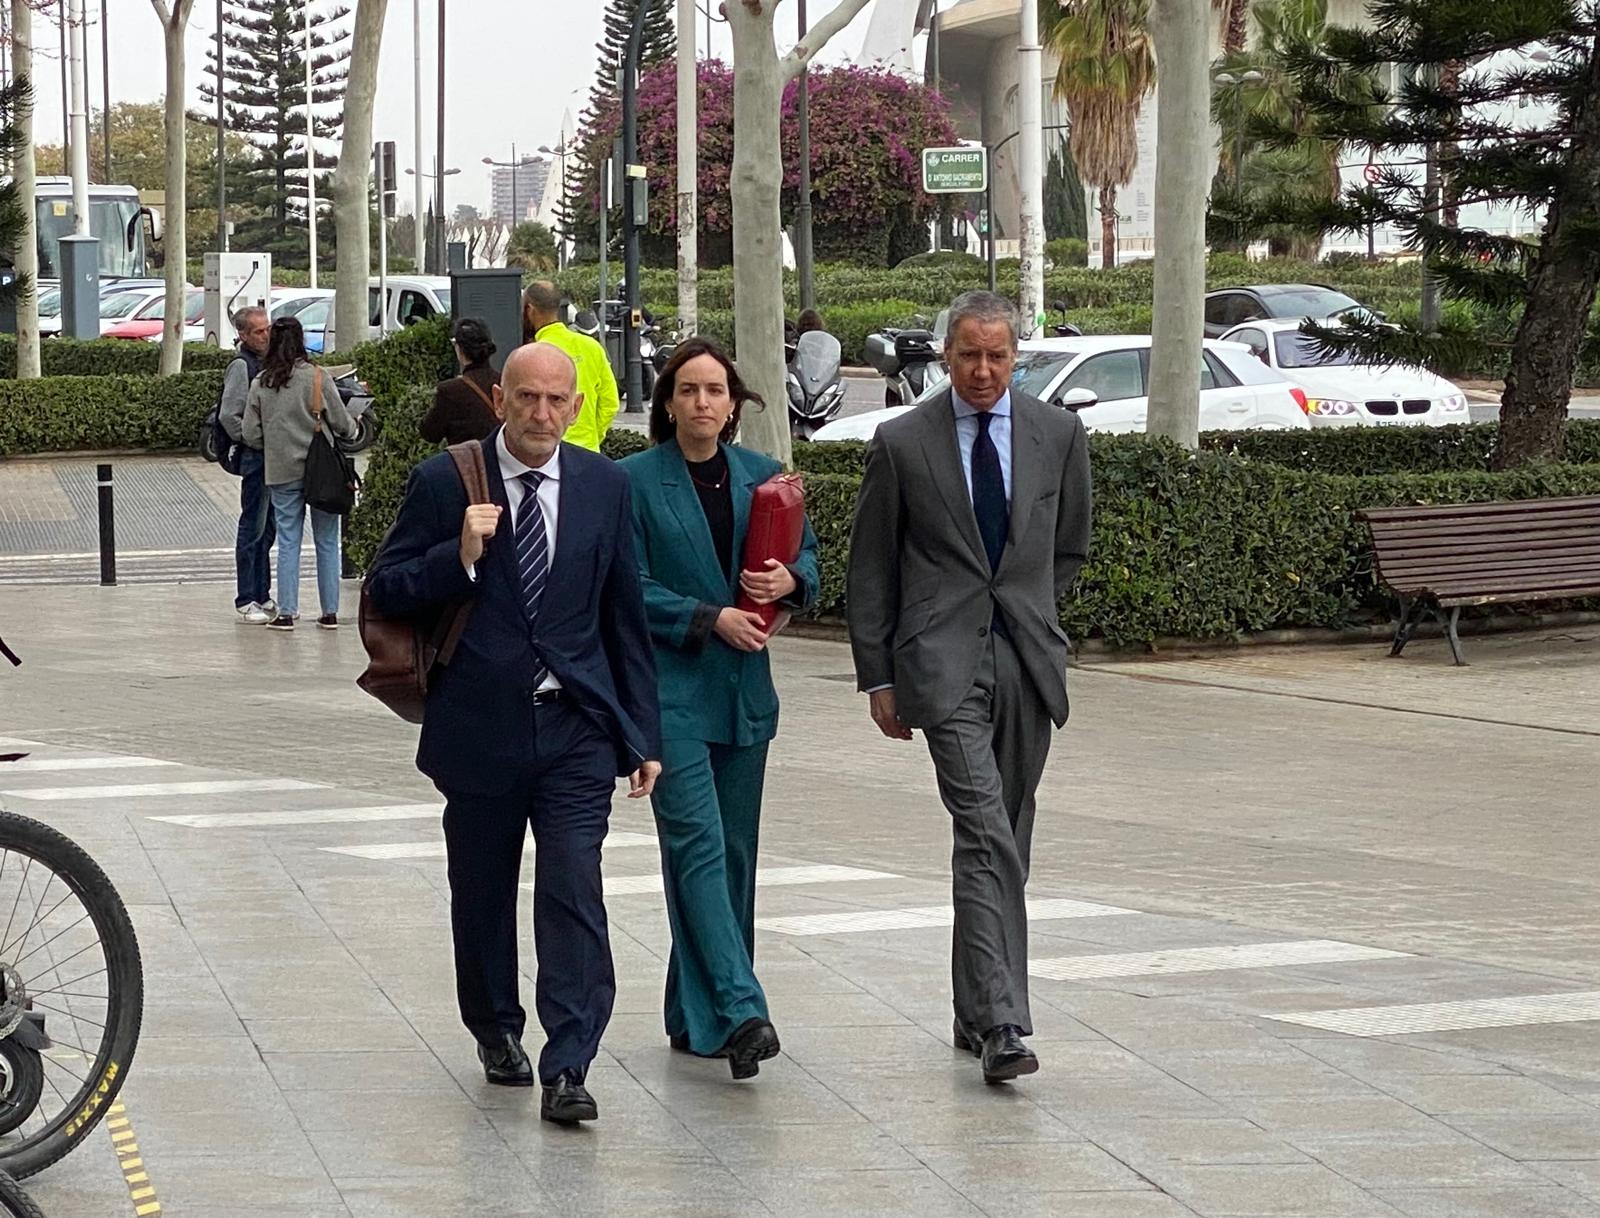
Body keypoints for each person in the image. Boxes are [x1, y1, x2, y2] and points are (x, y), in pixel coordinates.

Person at [365, 342, 662, 1126]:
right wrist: (455, 556)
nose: (540, 414)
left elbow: (623, 615)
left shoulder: (603, 485)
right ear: (501, 400)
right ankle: (496, 1029)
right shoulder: (444, 482)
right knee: (483, 894)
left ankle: (571, 1063)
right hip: (479, 728)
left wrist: (643, 735)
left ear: (574, 406)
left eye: (555, 401)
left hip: (576, 729)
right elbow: (386, 587)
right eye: (526, 398)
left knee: (573, 888)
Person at [845, 290, 1092, 1085]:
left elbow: (1068, 549)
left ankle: (969, 1007)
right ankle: (1004, 1022)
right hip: (941, 667)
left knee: (1005, 836)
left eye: (997, 356)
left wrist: (1036, 616)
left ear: (1016, 357)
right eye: (968, 356)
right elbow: (873, 567)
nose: (983, 371)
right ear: (944, 357)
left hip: (1026, 659)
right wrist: (879, 673)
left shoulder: (1058, 434)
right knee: (986, 829)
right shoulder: (903, 441)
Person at [619, 338, 819, 1079]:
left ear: (734, 403)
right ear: (668, 403)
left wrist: (788, 585)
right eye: (688, 390)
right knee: (697, 847)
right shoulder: (632, 483)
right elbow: (624, 584)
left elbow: (812, 563)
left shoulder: (766, 479)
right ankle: (740, 1009)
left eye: (716, 390)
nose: (703, 402)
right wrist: (707, 618)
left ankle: (689, 1011)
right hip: (671, 695)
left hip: (745, 697)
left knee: (732, 860)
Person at [242, 317, 357, 632]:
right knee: (327, 540)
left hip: (281, 471)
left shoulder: (262, 383)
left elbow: (250, 433)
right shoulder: (318, 378)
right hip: (322, 472)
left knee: (289, 540)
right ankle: (330, 611)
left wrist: (275, 443)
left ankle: (288, 612)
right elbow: (343, 424)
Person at [219, 307, 276, 625]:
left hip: (272, 456)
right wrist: (253, 440)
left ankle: (262, 592)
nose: (265, 335)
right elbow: (230, 414)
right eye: (258, 331)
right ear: (242, 335)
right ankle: (246, 597)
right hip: (256, 456)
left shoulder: (267, 362)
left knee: (268, 528)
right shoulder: (242, 366)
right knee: (253, 526)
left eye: (267, 329)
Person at [520, 281, 620, 452]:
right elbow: (610, 403)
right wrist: (593, 437)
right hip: (588, 451)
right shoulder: (592, 347)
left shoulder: (531, 354)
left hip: (547, 453)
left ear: (530, 310)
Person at [419, 318, 501, 445]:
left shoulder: (450, 391)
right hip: (500, 462)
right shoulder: (505, 382)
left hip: (466, 462)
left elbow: (430, 434)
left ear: (459, 349)